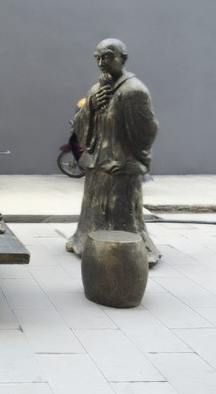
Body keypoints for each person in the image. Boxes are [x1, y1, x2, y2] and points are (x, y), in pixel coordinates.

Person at [66, 39, 161, 267]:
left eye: (107, 56)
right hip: (98, 164)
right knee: (94, 213)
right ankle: (87, 241)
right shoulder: (96, 90)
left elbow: (148, 130)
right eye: (97, 57)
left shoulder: (134, 91)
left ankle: (129, 250)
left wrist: (131, 162)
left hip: (120, 167)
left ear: (123, 58)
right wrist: (91, 106)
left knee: (120, 214)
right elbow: (79, 125)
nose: (101, 62)